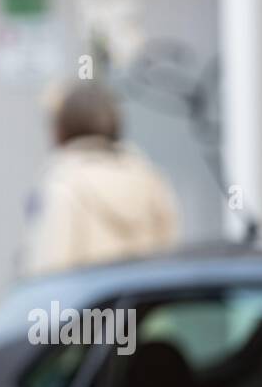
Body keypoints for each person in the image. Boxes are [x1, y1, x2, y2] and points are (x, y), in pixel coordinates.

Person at [21, 81, 180, 278]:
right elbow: (169, 263)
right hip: (142, 307)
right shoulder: (151, 181)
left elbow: (48, 276)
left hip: (89, 308)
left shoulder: (63, 186)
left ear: (61, 130)